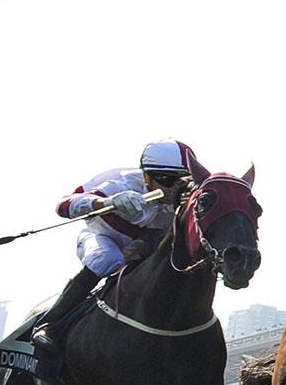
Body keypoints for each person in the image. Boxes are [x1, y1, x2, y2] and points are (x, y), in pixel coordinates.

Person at [30, 139, 198, 360]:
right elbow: (64, 206)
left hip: (147, 249)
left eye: (183, 182)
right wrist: (105, 202)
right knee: (108, 259)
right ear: (146, 175)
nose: (174, 189)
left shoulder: (188, 198)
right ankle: (50, 323)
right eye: (166, 181)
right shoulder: (122, 184)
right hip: (103, 239)